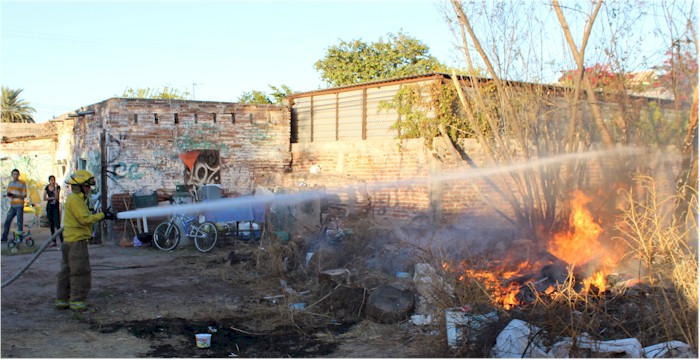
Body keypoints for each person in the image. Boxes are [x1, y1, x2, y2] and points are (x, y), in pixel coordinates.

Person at [55, 170, 116, 312]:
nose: (89, 189)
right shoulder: (75, 199)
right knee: (80, 272)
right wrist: (102, 215)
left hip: (69, 241)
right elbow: (85, 219)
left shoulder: (75, 199)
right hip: (76, 242)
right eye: (87, 186)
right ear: (81, 186)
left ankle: (62, 300)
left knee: (67, 271)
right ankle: (78, 303)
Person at [2, 169, 27, 243]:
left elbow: (24, 195)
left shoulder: (22, 183)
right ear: (12, 175)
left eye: (17, 174)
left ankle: (19, 238)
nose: (15, 176)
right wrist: (7, 195)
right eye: (14, 174)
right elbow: (9, 193)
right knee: (7, 221)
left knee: (19, 222)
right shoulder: (10, 183)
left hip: (19, 205)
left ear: (19, 175)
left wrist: (15, 195)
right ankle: (4, 237)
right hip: (12, 205)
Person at [44, 175, 63, 247]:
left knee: (57, 224)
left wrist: (55, 189)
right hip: (49, 207)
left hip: (55, 207)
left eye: (54, 180)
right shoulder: (47, 187)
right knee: (51, 224)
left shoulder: (57, 187)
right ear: (49, 181)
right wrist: (51, 198)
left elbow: (56, 197)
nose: (53, 181)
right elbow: (44, 198)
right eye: (51, 180)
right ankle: (54, 241)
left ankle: (62, 240)